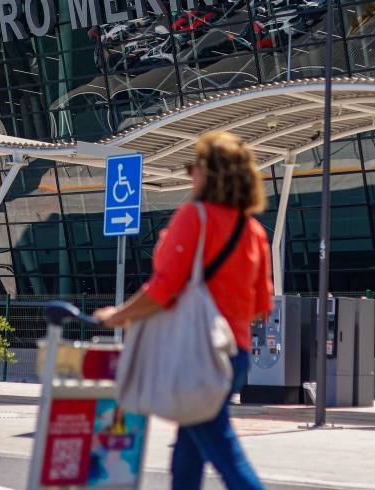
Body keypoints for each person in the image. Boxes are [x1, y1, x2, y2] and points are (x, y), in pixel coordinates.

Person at [94, 131, 273, 490]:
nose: (190, 174)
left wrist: (118, 316)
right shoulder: (252, 230)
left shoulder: (195, 216)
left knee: (224, 451)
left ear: (209, 173)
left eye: (193, 167)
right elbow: (261, 305)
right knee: (187, 457)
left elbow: (164, 289)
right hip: (233, 353)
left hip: (195, 355)